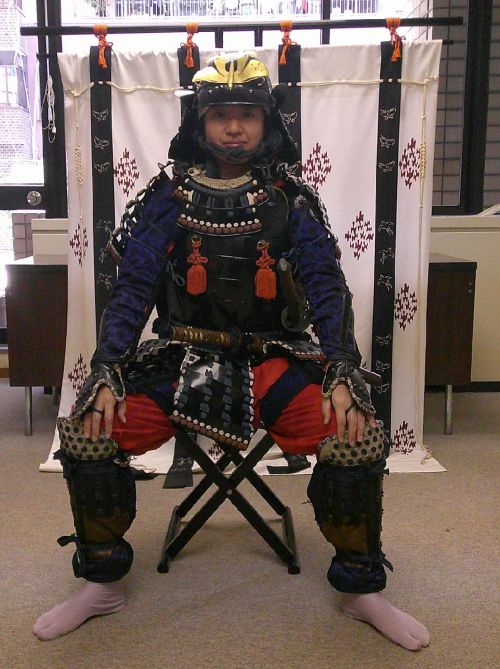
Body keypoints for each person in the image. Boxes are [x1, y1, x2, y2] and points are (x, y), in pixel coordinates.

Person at [33, 52, 429, 650]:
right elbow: (133, 288)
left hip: (275, 360)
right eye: (221, 115)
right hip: (179, 359)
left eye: (248, 114)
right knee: (91, 430)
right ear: (200, 123)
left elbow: (326, 287)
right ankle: (101, 582)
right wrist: (107, 367)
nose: (235, 128)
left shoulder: (291, 200)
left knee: (356, 435)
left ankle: (360, 588)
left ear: (268, 123)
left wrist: (343, 367)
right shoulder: (166, 200)